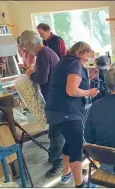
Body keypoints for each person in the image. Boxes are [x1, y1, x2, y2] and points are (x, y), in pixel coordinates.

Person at [45, 41, 99, 187]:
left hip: (56, 111)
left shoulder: (66, 62)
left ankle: (66, 173)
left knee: (69, 141)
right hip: (66, 112)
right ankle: (80, 184)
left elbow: (71, 84)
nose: (88, 59)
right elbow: (71, 90)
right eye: (88, 55)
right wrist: (89, 92)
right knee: (76, 144)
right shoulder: (75, 64)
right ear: (81, 52)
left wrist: (89, 78)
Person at [19, 30, 65, 177]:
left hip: (55, 99)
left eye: (26, 47)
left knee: (56, 132)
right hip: (56, 97)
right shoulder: (47, 52)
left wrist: (30, 74)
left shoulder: (43, 54)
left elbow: (42, 79)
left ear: (31, 43)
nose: (26, 50)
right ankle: (55, 157)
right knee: (56, 130)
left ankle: (57, 162)